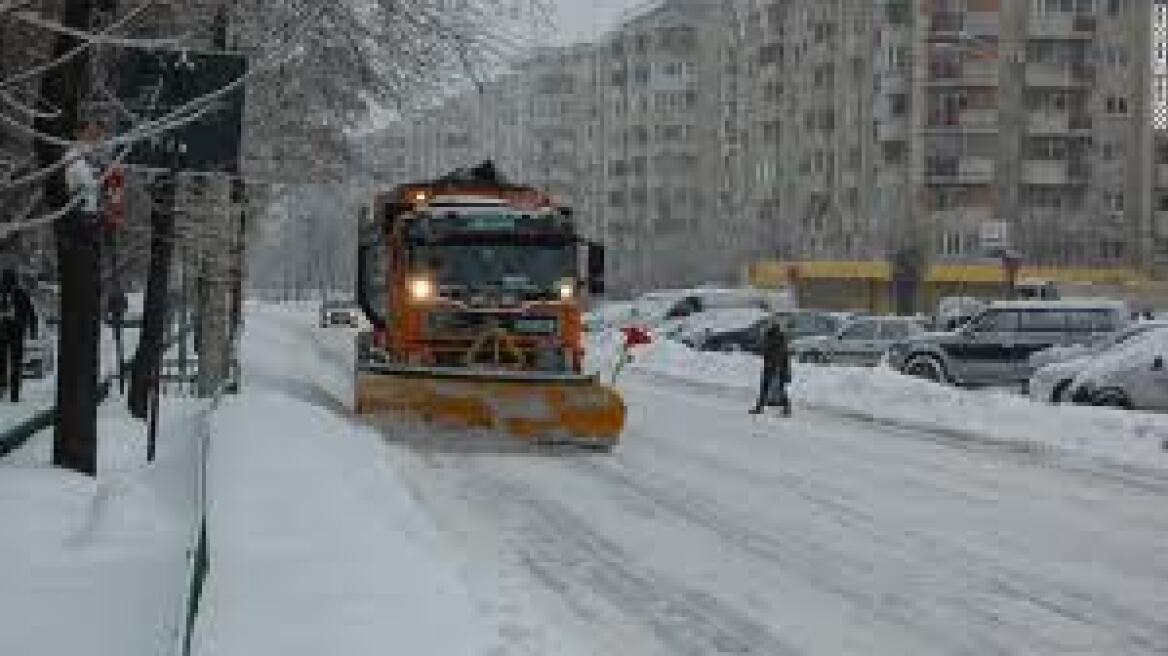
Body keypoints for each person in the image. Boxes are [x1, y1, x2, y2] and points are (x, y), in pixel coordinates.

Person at [0, 269, 37, 402]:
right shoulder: (19, 293)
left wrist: (33, 330)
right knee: (10, 362)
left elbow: (31, 313)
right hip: (10, 332)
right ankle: (8, 390)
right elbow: (31, 313)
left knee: (10, 362)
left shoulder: (20, 294)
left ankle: (11, 391)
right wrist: (32, 329)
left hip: (13, 331)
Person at [750, 316, 791, 417]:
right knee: (775, 388)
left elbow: (776, 352)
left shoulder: (773, 338)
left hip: (774, 365)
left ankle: (761, 407)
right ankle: (762, 407)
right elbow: (782, 353)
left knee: (771, 387)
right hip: (777, 365)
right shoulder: (779, 337)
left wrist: (775, 364)